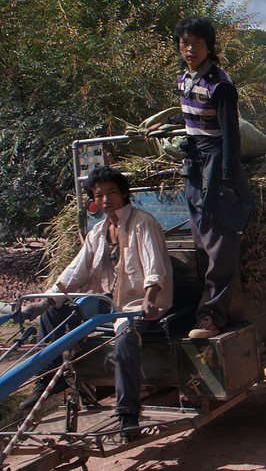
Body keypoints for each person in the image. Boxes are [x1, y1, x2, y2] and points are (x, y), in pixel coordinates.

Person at [20, 166, 173, 436]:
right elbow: (75, 272)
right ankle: (47, 381)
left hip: (137, 304)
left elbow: (155, 267)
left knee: (126, 338)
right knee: (53, 313)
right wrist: (43, 303)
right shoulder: (98, 232)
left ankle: (128, 414)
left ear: (124, 193)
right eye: (99, 195)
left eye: (111, 193)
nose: (106, 200)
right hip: (106, 304)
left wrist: (150, 298)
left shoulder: (143, 222)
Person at [171, 17, 254, 339]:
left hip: (215, 165)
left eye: (198, 43)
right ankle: (199, 309)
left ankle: (213, 317)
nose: (190, 49)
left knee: (220, 245)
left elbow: (231, 136)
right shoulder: (184, 79)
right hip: (193, 163)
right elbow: (189, 116)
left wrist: (227, 179)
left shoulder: (220, 84)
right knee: (201, 243)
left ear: (210, 47)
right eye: (185, 43)